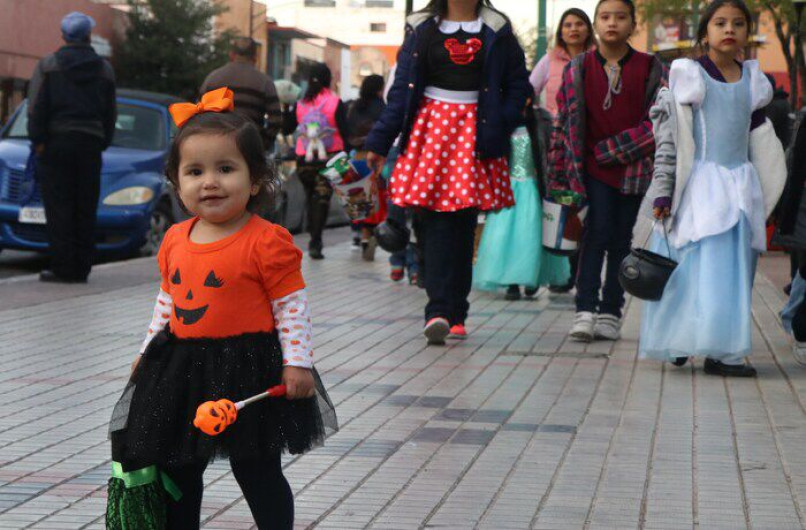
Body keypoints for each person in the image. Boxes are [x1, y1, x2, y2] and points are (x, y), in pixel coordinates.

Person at [108, 88, 337, 528]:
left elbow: (290, 306)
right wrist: (147, 348)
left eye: (225, 169)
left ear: (255, 181)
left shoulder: (265, 240)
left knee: (255, 466)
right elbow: (169, 300)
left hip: (249, 367)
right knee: (178, 464)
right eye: (194, 171)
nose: (209, 181)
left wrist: (299, 363)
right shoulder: (176, 238)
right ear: (177, 183)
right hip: (181, 369)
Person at [365, 0, 531, 345]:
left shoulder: (496, 27)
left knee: (463, 222)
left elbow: (519, 84)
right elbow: (401, 92)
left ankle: (456, 310)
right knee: (435, 221)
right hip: (431, 132)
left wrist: (503, 120)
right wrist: (380, 141)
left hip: (478, 132)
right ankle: (438, 310)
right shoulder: (422, 27)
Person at [640, 0, 786, 377]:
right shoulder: (691, 74)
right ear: (705, 31)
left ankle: (722, 352)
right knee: (691, 267)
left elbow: (760, 138)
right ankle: (679, 339)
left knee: (732, 270)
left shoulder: (752, 80)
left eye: (738, 23)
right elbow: (672, 139)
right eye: (720, 23)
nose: (729, 30)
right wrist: (664, 191)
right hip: (701, 186)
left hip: (740, 187)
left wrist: (771, 185)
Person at [547, 0, 667, 342]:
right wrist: (559, 176)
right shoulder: (579, 67)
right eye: (605, 16)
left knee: (621, 241)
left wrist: (613, 151)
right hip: (588, 174)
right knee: (593, 236)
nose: (612, 22)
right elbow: (563, 123)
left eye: (620, 17)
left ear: (632, 24)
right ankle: (585, 309)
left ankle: (611, 312)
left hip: (634, 173)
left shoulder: (652, 67)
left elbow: (660, 123)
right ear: (596, 24)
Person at [27, 11, 116, 284]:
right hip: (90, 145)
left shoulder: (48, 65)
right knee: (85, 206)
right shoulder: (104, 69)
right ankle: (82, 268)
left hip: (56, 145)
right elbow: (110, 112)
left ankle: (63, 267)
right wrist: (102, 141)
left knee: (59, 207)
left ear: (64, 36)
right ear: (89, 36)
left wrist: (38, 141)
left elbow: (35, 107)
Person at [473, 105, 570, 299]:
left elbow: (548, 157)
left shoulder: (540, 123)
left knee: (531, 233)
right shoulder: (501, 123)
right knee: (505, 235)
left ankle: (531, 277)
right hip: (509, 187)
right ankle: (512, 281)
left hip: (533, 188)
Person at [529, 8, 595, 294]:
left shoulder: (597, 57)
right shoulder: (550, 59)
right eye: (567, 24)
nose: (573, 29)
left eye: (579, 24)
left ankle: (580, 272)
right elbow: (528, 89)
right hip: (555, 147)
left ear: (588, 28)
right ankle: (563, 269)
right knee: (563, 203)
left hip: (588, 142)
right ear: (561, 30)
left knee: (585, 206)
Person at [289, 63, 348, 260]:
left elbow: (289, 127)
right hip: (330, 157)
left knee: (310, 195)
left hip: (304, 158)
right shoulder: (335, 101)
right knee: (322, 198)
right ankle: (316, 240)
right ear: (328, 79)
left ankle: (311, 231)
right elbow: (345, 131)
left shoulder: (300, 103)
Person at [200, 37, 282, 152]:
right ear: (255, 57)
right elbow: (276, 121)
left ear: (231, 54)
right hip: (249, 149)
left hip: (216, 147)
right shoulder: (265, 82)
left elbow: (198, 115)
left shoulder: (212, 79)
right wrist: (262, 145)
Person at [347, 74, 388, 260]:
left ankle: (361, 239)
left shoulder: (355, 107)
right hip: (374, 158)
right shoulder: (382, 107)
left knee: (360, 203)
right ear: (379, 89)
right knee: (376, 204)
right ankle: (371, 239)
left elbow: (347, 130)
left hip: (356, 158)